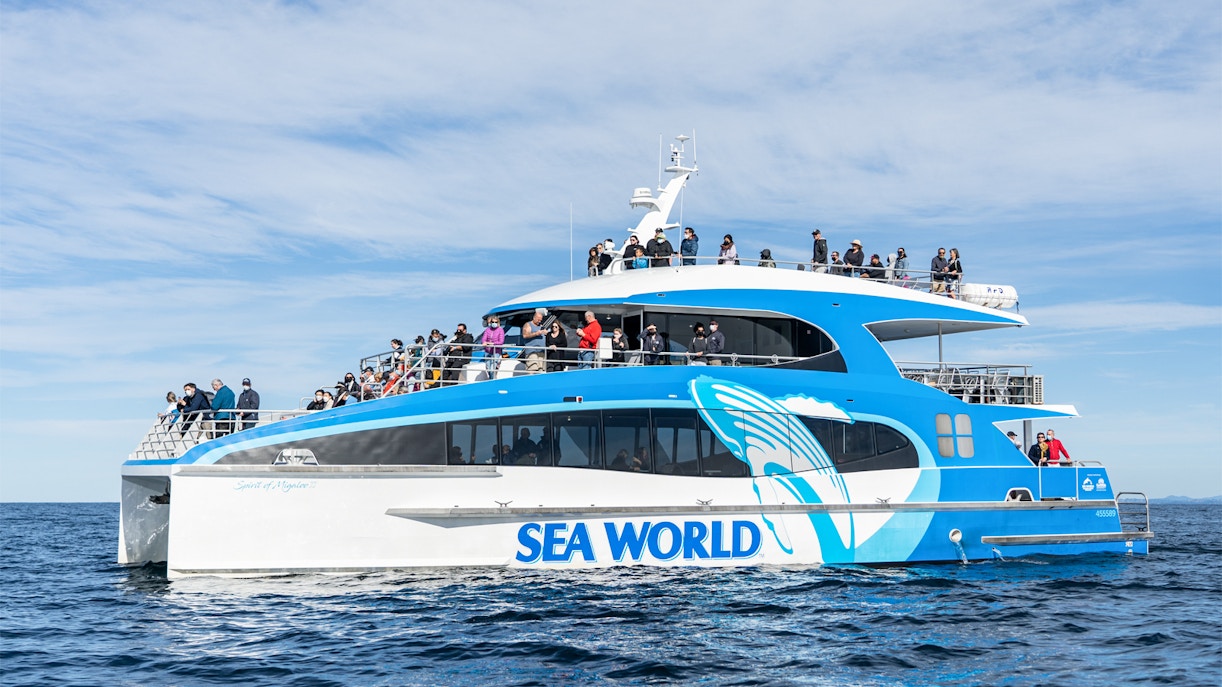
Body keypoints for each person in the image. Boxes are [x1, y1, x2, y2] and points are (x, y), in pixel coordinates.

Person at [521, 309, 547, 374]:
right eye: (538, 319)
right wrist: (536, 334)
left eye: (541, 319)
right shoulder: (528, 325)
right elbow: (525, 335)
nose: (540, 321)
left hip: (541, 352)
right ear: (534, 317)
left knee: (541, 371)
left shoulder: (541, 326)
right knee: (532, 369)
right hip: (532, 351)